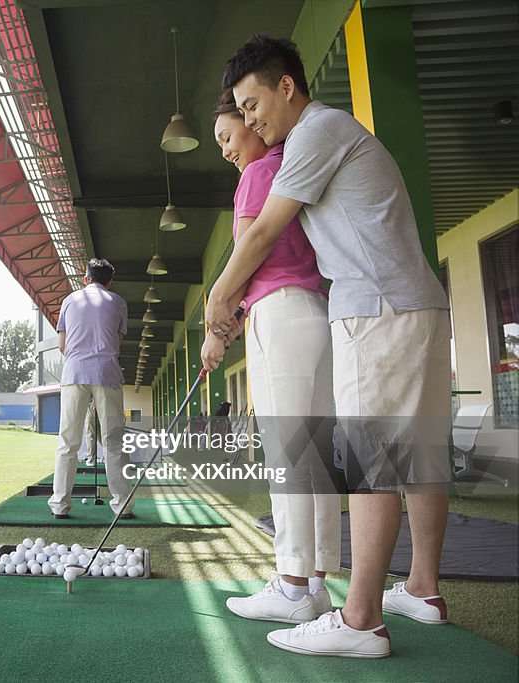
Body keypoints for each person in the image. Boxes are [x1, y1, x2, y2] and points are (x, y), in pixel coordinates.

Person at [206, 35, 451, 658]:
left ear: (286, 86)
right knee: (417, 452)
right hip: (414, 300)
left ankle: (362, 619)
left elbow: (262, 231)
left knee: (373, 461)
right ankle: (422, 589)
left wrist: (217, 301)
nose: (251, 117)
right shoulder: (324, 134)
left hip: (375, 308)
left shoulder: (315, 133)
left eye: (253, 103)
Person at [202, 89, 340, 625]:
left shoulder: (258, 175)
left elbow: (247, 255)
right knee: (317, 456)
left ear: (253, 126)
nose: (225, 150)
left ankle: (289, 586)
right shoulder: (293, 169)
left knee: (287, 456)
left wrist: (217, 329)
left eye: (227, 136)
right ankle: (315, 584)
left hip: (279, 318)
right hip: (316, 314)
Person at [50, 259, 134, 519]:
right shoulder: (118, 302)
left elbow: (63, 346)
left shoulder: (69, 301)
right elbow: (116, 342)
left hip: (75, 373)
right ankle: (122, 505)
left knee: (68, 441)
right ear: (109, 282)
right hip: (107, 373)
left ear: (85, 279)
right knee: (113, 441)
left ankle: (60, 505)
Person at [83, 399, 100, 467]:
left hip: (92, 403)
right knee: (102, 434)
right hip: (100, 401)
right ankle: (113, 458)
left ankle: (91, 460)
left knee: (90, 434)